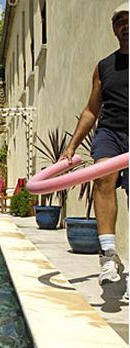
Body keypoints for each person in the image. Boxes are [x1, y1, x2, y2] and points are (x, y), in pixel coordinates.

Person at [63, 3, 128, 286]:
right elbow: (91, 110)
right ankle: (107, 253)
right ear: (114, 30)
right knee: (103, 175)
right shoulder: (104, 66)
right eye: (119, 22)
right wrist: (71, 146)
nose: (125, 26)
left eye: (129, 20)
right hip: (111, 132)